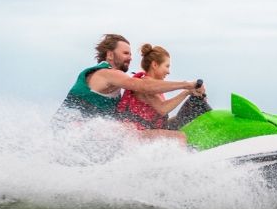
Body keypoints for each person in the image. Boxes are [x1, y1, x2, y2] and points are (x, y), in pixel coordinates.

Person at [60, 34, 201, 120]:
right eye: (125, 53)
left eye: (131, 54)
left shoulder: (116, 81)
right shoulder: (106, 73)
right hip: (69, 134)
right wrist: (186, 85)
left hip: (86, 137)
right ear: (110, 55)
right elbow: (143, 86)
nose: (130, 58)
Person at [116, 43, 211, 144]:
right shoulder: (145, 85)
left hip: (150, 129)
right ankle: (185, 158)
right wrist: (186, 91)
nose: (168, 71)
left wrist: (196, 99)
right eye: (167, 66)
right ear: (155, 65)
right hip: (136, 134)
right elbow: (163, 109)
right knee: (179, 137)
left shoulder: (156, 86)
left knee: (195, 106)